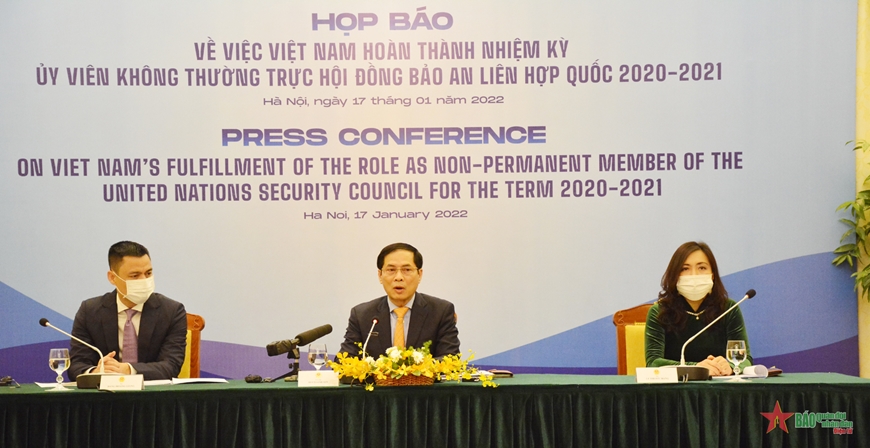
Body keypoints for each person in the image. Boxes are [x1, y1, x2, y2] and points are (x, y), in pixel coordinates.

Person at [69, 241, 187, 380]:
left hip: (151, 392)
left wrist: (128, 370)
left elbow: (171, 366)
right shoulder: (89, 311)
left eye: (148, 273)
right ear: (113, 277)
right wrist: (95, 372)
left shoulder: (172, 311)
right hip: (104, 392)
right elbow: (77, 365)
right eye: (135, 276)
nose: (144, 280)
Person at [645, 241, 752, 376]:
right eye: (685, 269)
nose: (694, 275)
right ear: (675, 276)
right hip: (676, 388)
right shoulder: (659, 312)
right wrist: (697, 368)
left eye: (702, 268)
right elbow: (653, 362)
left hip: (719, 386)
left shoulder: (729, 309)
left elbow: (745, 360)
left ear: (712, 274)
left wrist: (730, 366)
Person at [339, 242, 460, 359]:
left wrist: (411, 369)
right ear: (380, 275)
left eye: (407, 270)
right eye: (391, 270)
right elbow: (345, 360)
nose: (398, 277)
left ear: (419, 274)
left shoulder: (441, 312)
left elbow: (450, 358)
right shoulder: (362, 315)